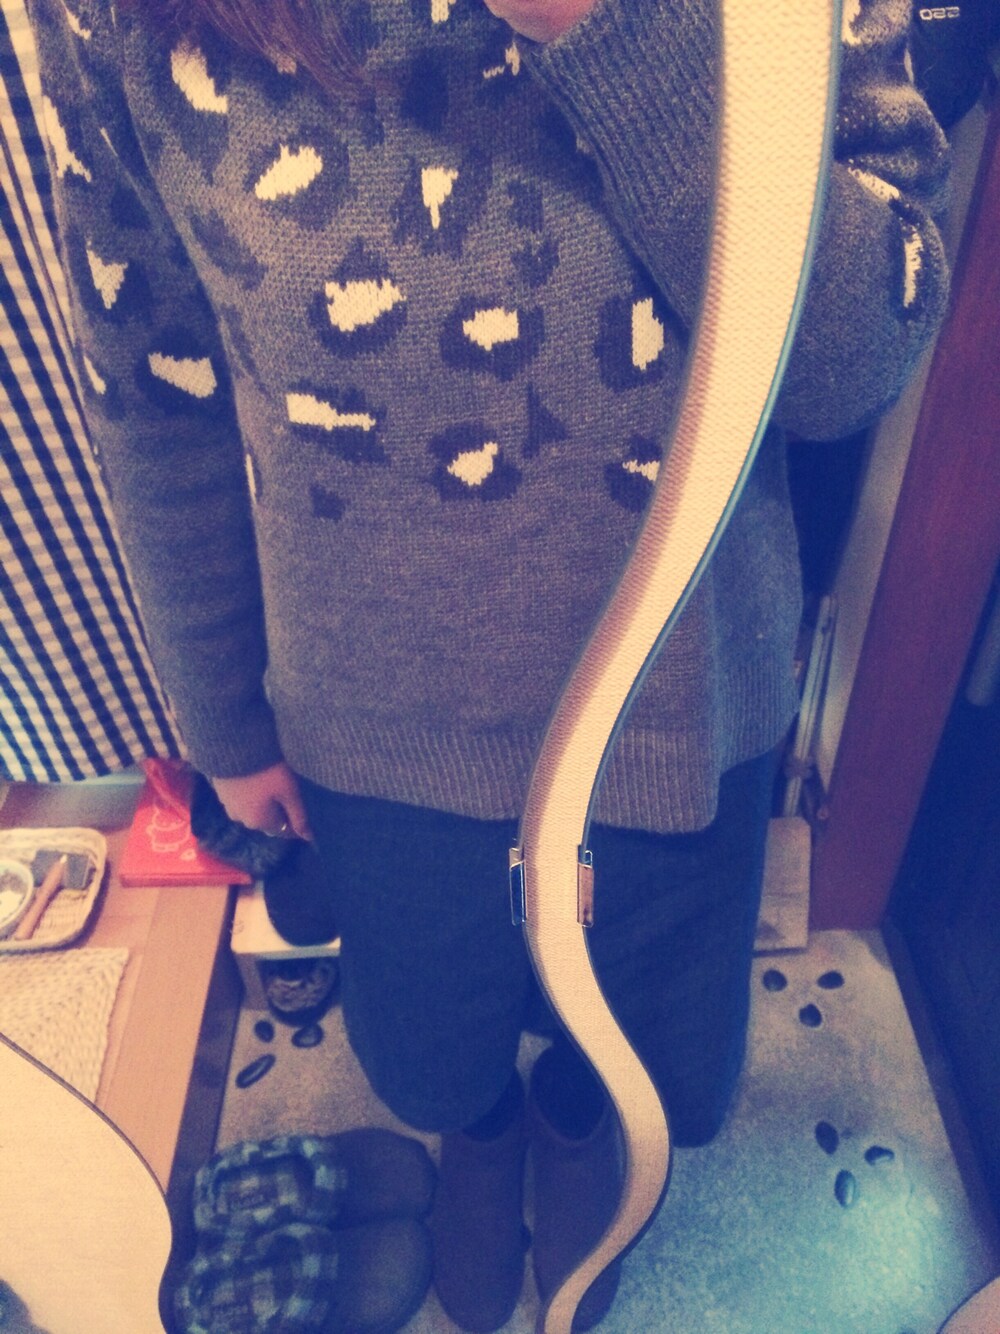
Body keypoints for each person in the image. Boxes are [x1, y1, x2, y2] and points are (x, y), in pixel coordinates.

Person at [28, 0, 950, 1327]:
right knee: (430, 1044)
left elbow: (849, 367)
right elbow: (156, 396)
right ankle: (483, 1131)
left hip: (680, 699)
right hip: (372, 710)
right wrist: (222, 716)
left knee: (638, 1047)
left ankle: (576, 1123)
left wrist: (623, 33)